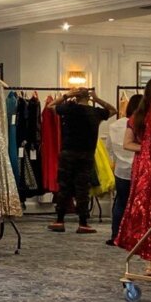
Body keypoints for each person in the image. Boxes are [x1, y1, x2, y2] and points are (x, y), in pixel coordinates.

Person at [49, 87, 115, 233]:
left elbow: (50, 106)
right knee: (83, 188)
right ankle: (83, 223)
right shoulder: (95, 112)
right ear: (88, 97)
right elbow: (113, 110)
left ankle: (59, 220)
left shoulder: (69, 109)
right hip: (86, 154)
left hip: (68, 152)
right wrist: (97, 99)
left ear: (76, 97)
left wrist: (66, 95)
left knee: (64, 187)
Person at [106, 93, 145, 245]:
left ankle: (115, 234)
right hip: (140, 169)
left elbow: (109, 148)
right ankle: (135, 235)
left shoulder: (114, 126)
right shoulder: (142, 124)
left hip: (121, 170)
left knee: (120, 203)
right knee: (139, 204)